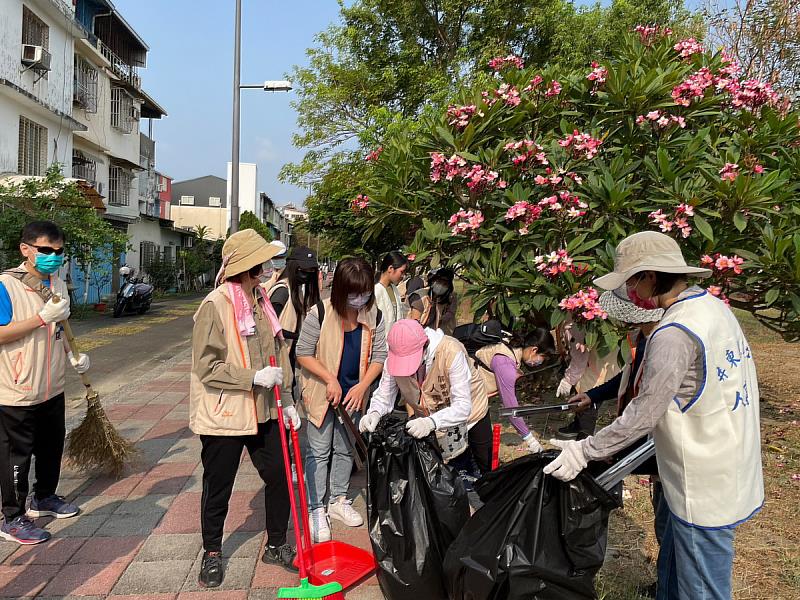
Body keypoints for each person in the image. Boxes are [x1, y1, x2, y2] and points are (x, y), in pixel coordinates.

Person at [544, 231, 763, 600]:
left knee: (703, 590)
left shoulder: (673, 333)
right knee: (682, 571)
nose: (630, 289)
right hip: (728, 459)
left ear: (649, 276)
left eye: (631, 279)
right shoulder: (714, 309)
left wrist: (584, 450)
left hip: (702, 480)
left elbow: (643, 414)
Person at [189, 229, 300, 588]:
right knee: (219, 484)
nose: (267, 268)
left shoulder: (262, 299)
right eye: (260, 264)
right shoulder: (215, 305)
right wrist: (253, 377)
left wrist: (288, 401)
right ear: (245, 267)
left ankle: (277, 544)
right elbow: (207, 367)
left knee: (280, 477)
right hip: (227, 411)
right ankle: (211, 552)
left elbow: (279, 352)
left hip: (266, 408)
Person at [0, 221, 88, 545]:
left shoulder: (58, 284)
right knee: (16, 456)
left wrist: (73, 355)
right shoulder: (6, 285)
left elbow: (61, 327)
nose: (53, 257)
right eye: (46, 251)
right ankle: (12, 517)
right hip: (17, 387)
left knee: (52, 445)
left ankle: (45, 497)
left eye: (59, 251)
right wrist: (40, 319)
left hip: (52, 384)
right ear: (26, 249)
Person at [296, 257, 387, 543]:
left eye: (365, 293)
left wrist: (362, 386)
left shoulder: (376, 316)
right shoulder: (320, 312)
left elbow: (379, 357)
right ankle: (316, 508)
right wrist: (330, 379)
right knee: (319, 451)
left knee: (346, 448)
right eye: (354, 294)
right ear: (340, 291)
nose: (360, 300)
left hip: (354, 395)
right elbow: (302, 352)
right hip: (323, 393)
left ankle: (337, 500)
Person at [360, 319, 493, 476]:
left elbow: (463, 406)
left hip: (472, 414)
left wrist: (430, 422)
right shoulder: (392, 360)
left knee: (484, 467)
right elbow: (384, 396)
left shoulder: (451, 351)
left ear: (425, 347)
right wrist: (374, 412)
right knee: (444, 474)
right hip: (430, 420)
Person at [472, 322, 555, 453]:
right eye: (542, 357)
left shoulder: (510, 344)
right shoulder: (505, 365)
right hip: (468, 398)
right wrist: (529, 439)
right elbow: (511, 409)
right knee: (483, 448)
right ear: (534, 350)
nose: (540, 362)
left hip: (473, 395)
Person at [266, 246, 321, 365]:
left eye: (311, 271)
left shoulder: (297, 290)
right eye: (304, 270)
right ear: (294, 267)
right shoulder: (283, 291)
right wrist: (298, 336)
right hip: (276, 358)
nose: (307, 275)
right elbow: (269, 326)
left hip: (288, 355)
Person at [408, 267, 459, 335]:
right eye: (440, 282)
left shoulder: (440, 299)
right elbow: (413, 325)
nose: (442, 285)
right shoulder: (420, 297)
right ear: (433, 281)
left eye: (445, 284)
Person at [374, 251, 409, 333]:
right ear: (390, 269)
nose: (403, 276)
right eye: (402, 272)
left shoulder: (394, 288)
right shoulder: (375, 291)